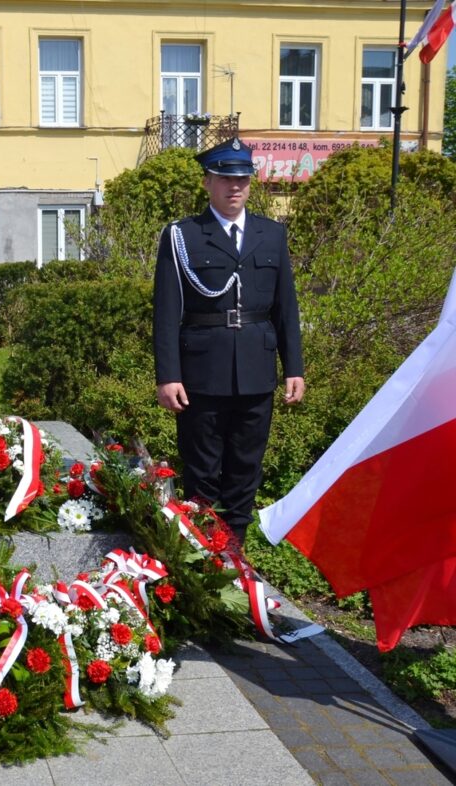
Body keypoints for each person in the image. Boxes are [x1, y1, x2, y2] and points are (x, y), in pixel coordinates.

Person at [153, 138, 304, 545]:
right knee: (202, 467)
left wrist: (294, 367)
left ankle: (234, 551)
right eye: (224, 178)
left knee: (246, 466)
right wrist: (168, 375)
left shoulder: (271, 235)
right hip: (202, 372)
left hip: (256, 369)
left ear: (251, 184)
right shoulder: (182, 236)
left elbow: (285, 306)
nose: (234, 187)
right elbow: (166, 312)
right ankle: (203, 550)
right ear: (207, 182)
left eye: (242, 179)